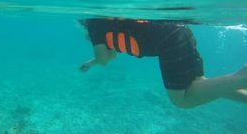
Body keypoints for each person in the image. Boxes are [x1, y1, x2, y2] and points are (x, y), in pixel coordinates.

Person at [79, 18, 247, 109]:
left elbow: (105, 59)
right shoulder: (104, 24)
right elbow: (112, 54)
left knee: (183, 100)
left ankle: (243, 76)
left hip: (168, 41)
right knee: (200, 86)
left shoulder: (95, 25)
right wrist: (90, 63)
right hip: (178, 30)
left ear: (84, 24)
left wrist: (93, 41)